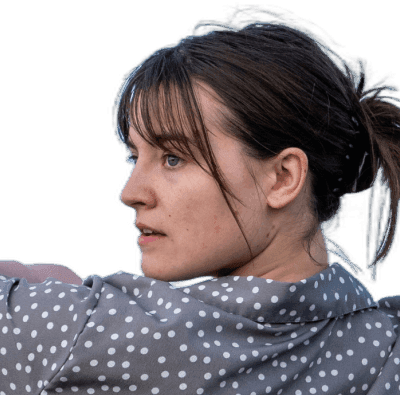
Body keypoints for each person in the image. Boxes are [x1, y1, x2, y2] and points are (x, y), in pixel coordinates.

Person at [1, 22, 400, 394]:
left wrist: (61, 302)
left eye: (173, 158)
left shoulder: (82, 335)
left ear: (282, 178)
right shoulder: (386, 350)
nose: (131, 192)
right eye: (133, 158)